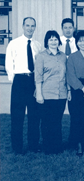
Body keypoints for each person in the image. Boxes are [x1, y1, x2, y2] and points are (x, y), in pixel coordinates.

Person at [5, 17, 42, 154]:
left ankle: (33, 145)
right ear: (23, 26)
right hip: (19, 81)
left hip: (33, 81)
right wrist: (15, 81)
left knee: (34, 115)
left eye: (33, 26)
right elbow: (9, 64)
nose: (30, 28)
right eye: (27, 25)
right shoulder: (14, 44)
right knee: (17, 116)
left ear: (35, 27)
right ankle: (17, 147)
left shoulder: (38, 45)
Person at [34, 30, 67, 154]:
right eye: (51, 39)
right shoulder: (41, 56)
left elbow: (66, 75)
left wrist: (68, 91)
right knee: (47, 122)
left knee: (57, 121)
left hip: (61, 94)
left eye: (55, 39)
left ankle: (57, 146)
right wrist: (39, 94)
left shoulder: (63, 56)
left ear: (59, 41)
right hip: (46, 94)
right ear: (47, 42)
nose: (53, 41)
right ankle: (47, 147)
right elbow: (38, 76)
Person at [59, 18, 78, 148]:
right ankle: (57, 141)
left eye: (70, 27)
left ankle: (73, 141)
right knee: (57, 114)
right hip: (59, 82)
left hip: (74, 81)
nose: (68, 29)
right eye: (65, 27)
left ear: (73, 28)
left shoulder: (79, 42)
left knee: (75, 113)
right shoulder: (55, 41)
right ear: (62, 28)